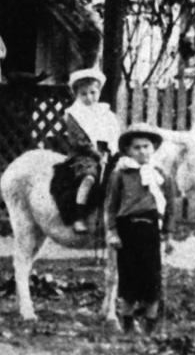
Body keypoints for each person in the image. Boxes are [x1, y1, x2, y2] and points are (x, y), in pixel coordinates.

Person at [105, 123, 175, 335]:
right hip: (127, 229)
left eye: (146, 146)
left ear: (153, 148)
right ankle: (127, 320)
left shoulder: (161, 174)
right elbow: (111, 206)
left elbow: (170, 206)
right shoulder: (121, 174)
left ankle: (150, 322)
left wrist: (169, 235)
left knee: (152, 276)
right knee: (128, 276)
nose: (142, 151)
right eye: (136, 147)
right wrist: (112, 231)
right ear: (127, 151)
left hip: (151, 229)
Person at [62, 68, 120, 234]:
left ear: (99, 91)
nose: (89, 97)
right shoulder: (74, 114)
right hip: (84, 154)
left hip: (107, 152)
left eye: (93, 92)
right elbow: (79, 141)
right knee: (89, 177)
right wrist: (97, 154)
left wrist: (112, 151)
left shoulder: (105, 113)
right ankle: (78, 216)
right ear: (77, 95)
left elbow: (114, 133)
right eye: (84, 94)